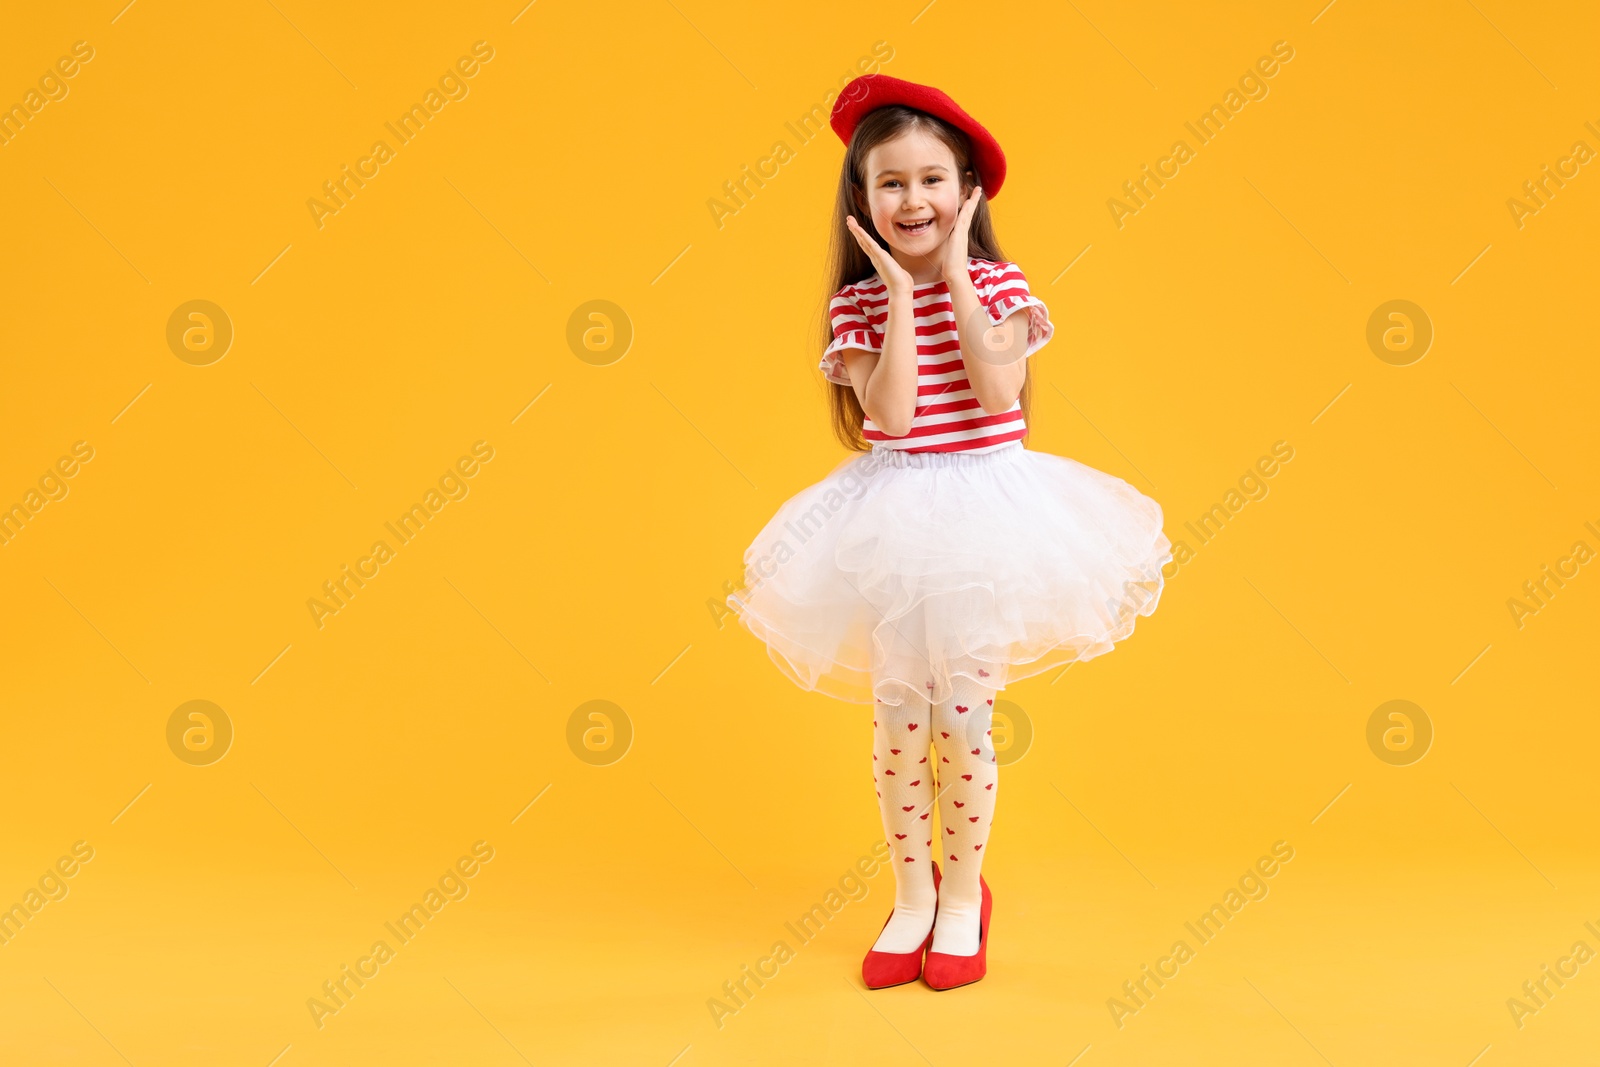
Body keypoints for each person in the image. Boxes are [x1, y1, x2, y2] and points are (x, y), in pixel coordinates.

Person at [725, 74, 1173, 991]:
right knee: (899, 717)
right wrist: (894, 292)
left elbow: (999, 390)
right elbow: (888, 414)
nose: (913, 199)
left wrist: (957, 275)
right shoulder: (856, 309)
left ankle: (963, 895)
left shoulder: (1001, 286)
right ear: (862, 198)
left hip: (984, 519)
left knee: (964, 717)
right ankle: (912, 894)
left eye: (935, 179)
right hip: (890, 517)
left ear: (967, 192)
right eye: (891, 183)